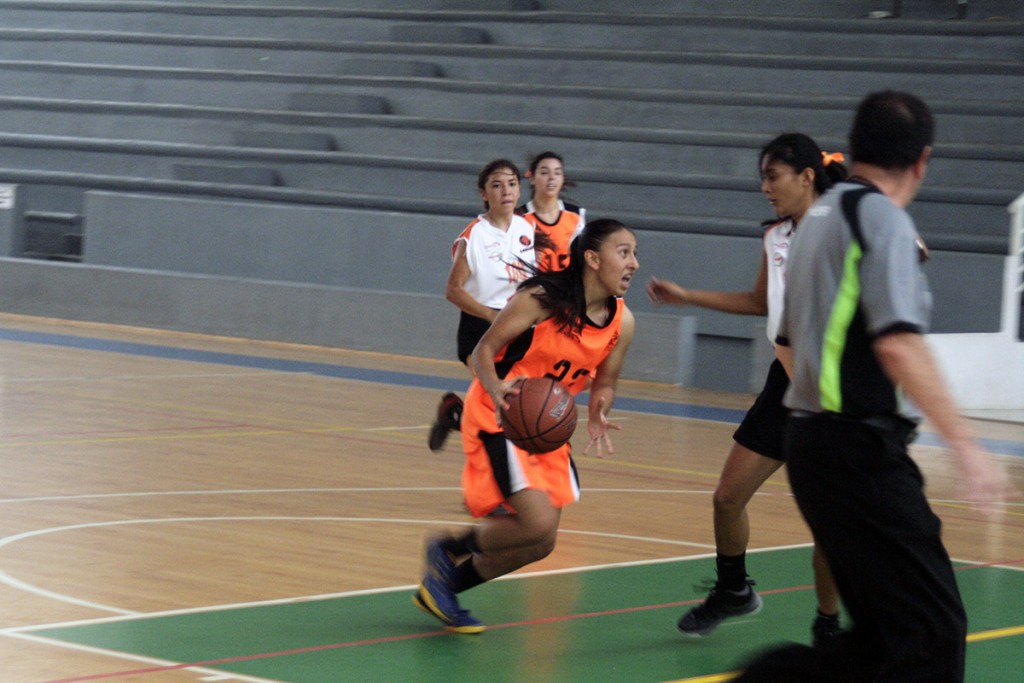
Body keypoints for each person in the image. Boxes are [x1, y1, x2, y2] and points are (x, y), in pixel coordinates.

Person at [734, 91, 1009, 681]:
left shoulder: (815, 221)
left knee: (881, 640)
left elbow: (793, 335)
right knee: (934, 632)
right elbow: (897, 342)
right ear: (922, 160)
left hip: (814, 445)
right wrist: (966, 445)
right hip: (857, 450)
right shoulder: (879, 217)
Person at [647, 134, 847, 644]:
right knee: (726, 497)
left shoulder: (846, 224)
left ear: (806, 175)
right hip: (786, 382)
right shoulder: (776, 236)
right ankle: (734, 590)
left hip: (835, 387)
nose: (764, 187)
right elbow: (761, 301)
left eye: (773, 176)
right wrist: (688, 295)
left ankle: (827, 624)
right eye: (762, 177)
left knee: (828, 521)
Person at [414, 218, 638, 633]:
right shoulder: (540, 299)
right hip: (502, 411)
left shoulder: (622, 323)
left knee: (541, 543)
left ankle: (443, 587)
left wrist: (598, 410)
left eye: (634, 253)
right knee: (536, 523)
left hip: (546, 422)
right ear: (592, 258)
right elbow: (484, 351)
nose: (634, 263)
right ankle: (446, 552)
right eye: (624, 252)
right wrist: (497, 390)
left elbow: (605, 381)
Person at [428, 159, 536, 452]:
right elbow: (453, 290)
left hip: (520, 324)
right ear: (484, 194)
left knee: (508, 409)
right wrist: (491, 315)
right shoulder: (474, 235)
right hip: (482, 327)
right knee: (501, 407)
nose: (506, 191)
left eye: (512, 184)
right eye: (497, 185)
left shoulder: (526, 228)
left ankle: (455, 413)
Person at [517, 151, 586, 273]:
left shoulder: (575, 215)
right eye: (544, 173)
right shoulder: (519, 217)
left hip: (566, 288)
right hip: (531, 287)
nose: (552, 178)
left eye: (557, 173)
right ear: (532, 178)